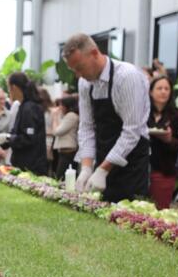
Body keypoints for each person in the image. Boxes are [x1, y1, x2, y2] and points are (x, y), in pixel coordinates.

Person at [63, 33, 150, 203]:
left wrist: (103, 170)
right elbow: (86, 126)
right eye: (74, 71)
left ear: (95, 53)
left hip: (131, 164)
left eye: (80, 68)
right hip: (102, 157)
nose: (78, 75)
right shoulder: (85, 83)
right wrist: (87, 168)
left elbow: (132, 130)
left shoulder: (126, 76)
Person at [0, 72, 48, 176]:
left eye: (9, 88)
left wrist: (8, 138)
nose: (9, 92)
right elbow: (17, 131)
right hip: (23, 165)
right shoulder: (23, 106)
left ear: (14, 87)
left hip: (31, 167)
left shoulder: (29, 108)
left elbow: (29, 138)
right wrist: (3, 141)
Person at [148, 76, 178, 209]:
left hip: (164, 170)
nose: (163, 92)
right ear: (151, 92)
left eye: (167, 89)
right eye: (159, 88)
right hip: (141, 167)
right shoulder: (144, 112)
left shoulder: (176, 115)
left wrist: (169, 140)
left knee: (160, 210)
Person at [52, 95, 80, 180]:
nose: (60, 107)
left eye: (61, 105)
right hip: (65, 151)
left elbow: (57, 131)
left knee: (61, 177)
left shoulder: (71, 116)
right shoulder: (68, 116)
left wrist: (55, 117)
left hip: (68, 151)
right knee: (61, 176)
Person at [39, 88, 57, 176]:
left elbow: (54, 129)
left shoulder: (52, 111)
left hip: (48, 140)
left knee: (48, 163)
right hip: (48, 140)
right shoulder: (51, 111)